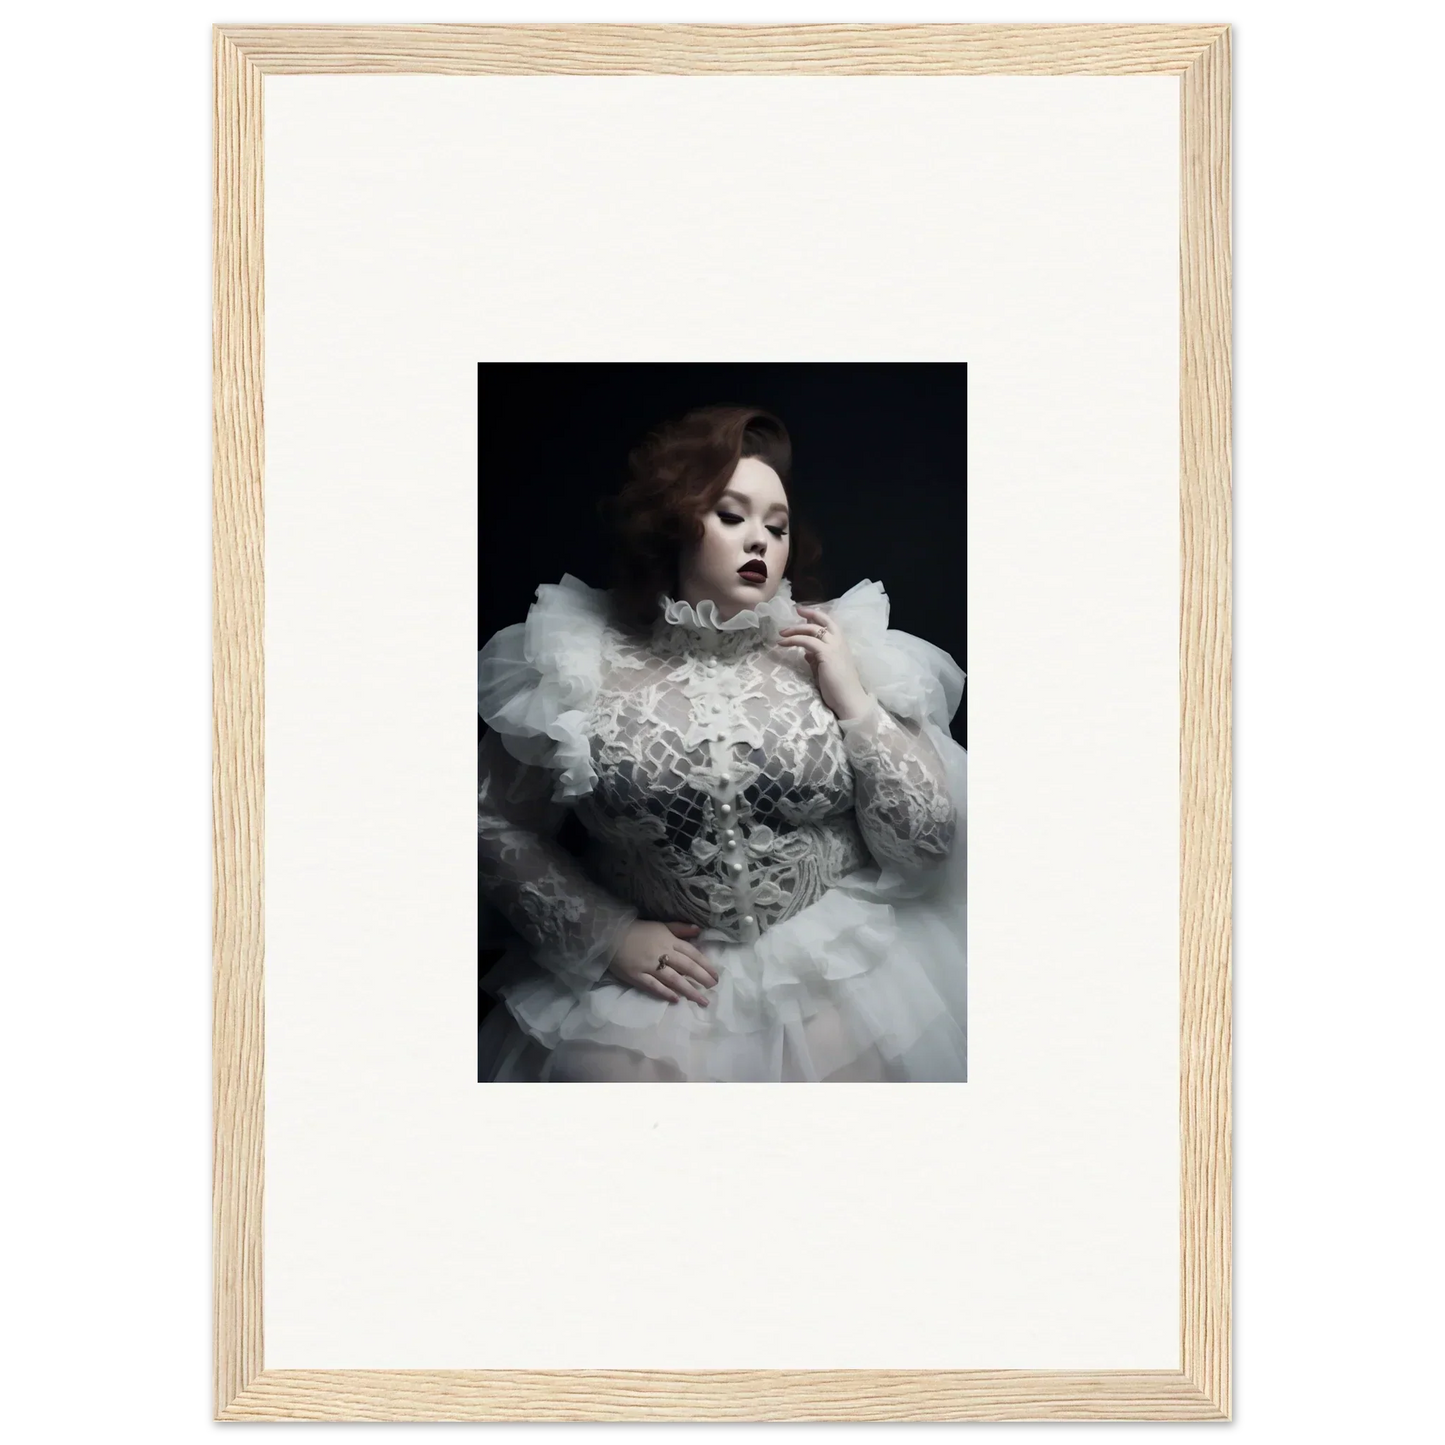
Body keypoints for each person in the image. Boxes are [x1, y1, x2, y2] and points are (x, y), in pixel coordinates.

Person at [476, 404, 967, 1082]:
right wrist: (602, 933)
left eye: (777, 525)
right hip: (655, 1002)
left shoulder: (845, 645)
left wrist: (851, 698)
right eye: (731, 516)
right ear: (673, 524)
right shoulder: (574, 660)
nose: (759, 541)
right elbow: (487, 814)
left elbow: (925, 842)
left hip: (845, 973)